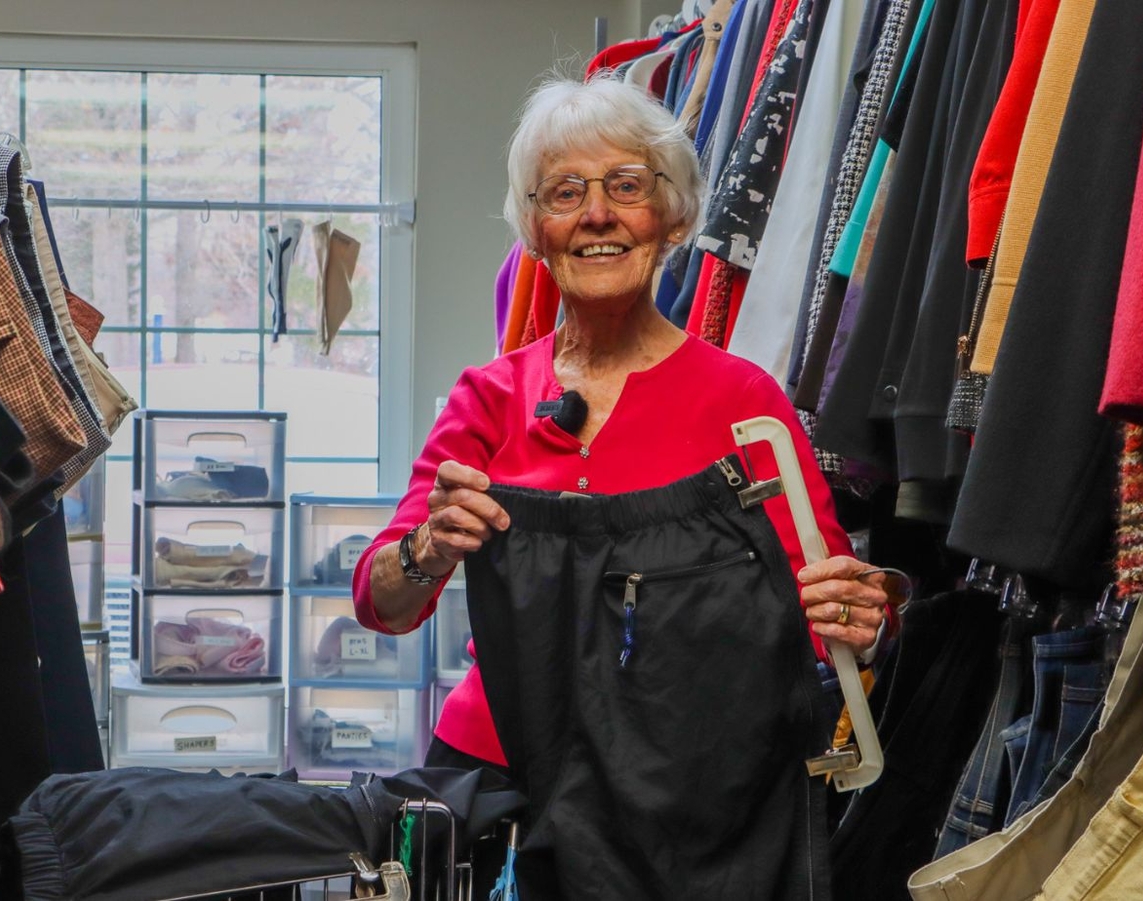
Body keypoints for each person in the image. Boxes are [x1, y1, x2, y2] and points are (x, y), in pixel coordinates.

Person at [351, 71, 902, 851]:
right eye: (565, 192)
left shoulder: (744, 401)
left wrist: (863, 618)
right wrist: (426, 548)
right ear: (535, 228)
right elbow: (383, 604)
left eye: (627, 185)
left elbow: (829, 607)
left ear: (673, 215)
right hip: (498, 767)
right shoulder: (490, 398)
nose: (597, 214)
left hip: (681, 779)